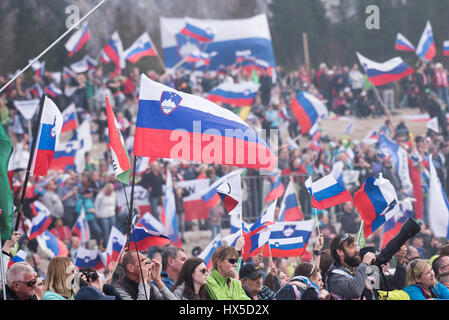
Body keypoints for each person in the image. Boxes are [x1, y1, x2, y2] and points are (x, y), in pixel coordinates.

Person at [325, 233, 377, 300]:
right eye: (352, 247)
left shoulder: (352, 269)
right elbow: (355, 291)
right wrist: (364, 264)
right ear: (340, 252)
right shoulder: (335, 276)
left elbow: (387, 284)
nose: (357, 250)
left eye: (356, 246)